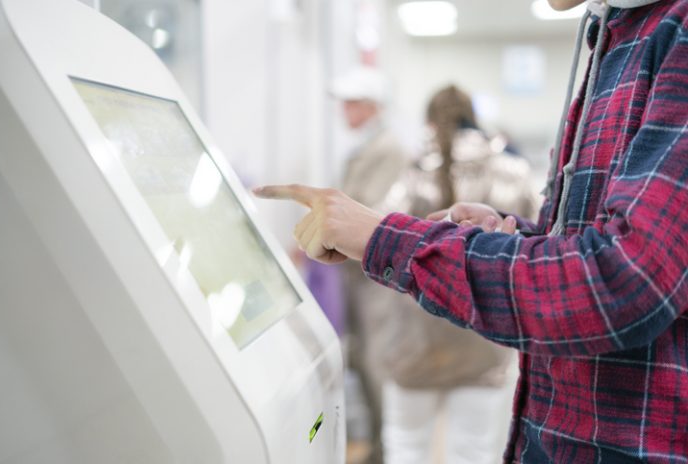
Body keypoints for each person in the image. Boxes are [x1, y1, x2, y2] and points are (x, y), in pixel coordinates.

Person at [255, 0, 688, 462]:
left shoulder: (672, 36)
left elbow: (622, 279)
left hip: (608, 434)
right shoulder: (617, 37)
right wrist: (512, 239)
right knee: (469, 450)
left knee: (409, 445)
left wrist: (385, 235)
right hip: (526, 389)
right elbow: (582, 244)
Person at [377, 84, 536, 464]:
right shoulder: (512, 170)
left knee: (406, 447)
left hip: (415, 339)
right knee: (475, 452)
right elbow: (543, 232)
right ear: (473, 118)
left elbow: (378, 231)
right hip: (485, 332)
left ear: (430, 122)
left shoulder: (412, 173)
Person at [331, 65, 410, 464]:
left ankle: (386, 450)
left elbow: (373, 211)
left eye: (351, 104)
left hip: (375, 274)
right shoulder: (366, 147)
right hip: (357, 273)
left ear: (371, 106)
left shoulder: (389, 149)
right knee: (362, 357)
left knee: (377, 360)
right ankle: (379, 447)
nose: (345, 111)